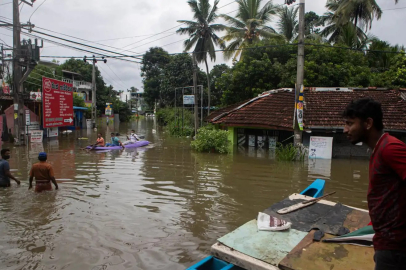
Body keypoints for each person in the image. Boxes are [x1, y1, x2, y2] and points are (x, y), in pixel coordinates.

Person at [343, 98, 406, 270]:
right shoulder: (379, 149)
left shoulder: (390, 148)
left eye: (350, 123)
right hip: (386, 241)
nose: (345, 130)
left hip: (395, 247)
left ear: (368, 123)